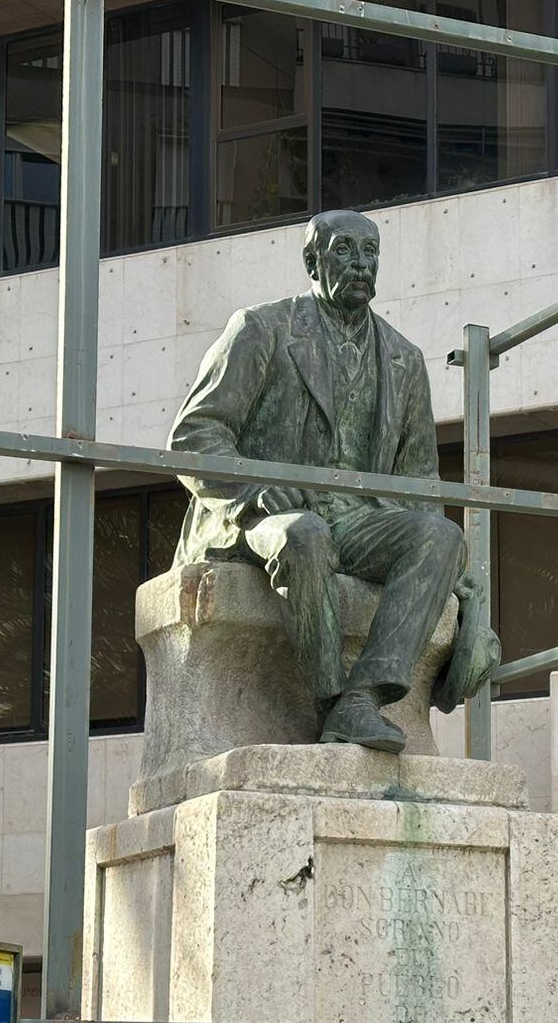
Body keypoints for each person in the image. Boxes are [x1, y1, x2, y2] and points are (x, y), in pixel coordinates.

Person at [169, 209, 498, 751]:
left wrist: (453, 581)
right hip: (264, 514)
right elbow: (195, 436)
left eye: (370, 253)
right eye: (344, 250)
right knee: (304, 536)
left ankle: (361, 699)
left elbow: (419, 483)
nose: (361, 264)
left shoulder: (404, 360)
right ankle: (327, 701)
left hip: (360, 519)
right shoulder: (261, 329)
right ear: (312, 260)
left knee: (441, 538)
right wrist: (253, 491)